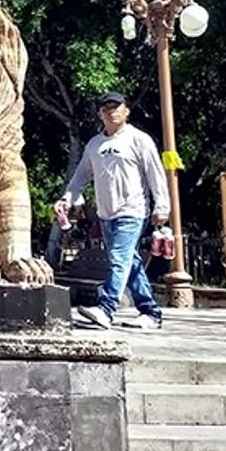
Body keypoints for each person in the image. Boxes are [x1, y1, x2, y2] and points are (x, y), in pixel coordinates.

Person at [55, 91, 169, 330]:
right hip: (106, 214)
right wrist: (67, 198)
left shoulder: (139, 140)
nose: (111, 111)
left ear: (126, 111)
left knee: (119, 258)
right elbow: (81, 176)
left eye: (116, 106)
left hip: (133, 210)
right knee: (130, 262)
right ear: (100, 113)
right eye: (106, 107)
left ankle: (106, 309)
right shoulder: (95, 145)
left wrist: (162, 206)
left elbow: (155, 174)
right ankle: (150, 312)